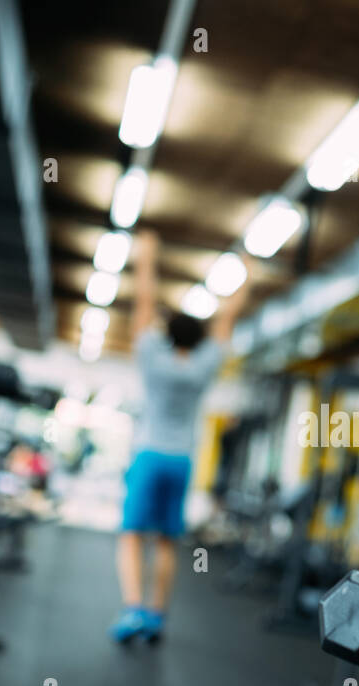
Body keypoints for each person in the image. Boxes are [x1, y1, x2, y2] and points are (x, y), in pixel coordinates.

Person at [110, 232, 252, 643]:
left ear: (166, 333)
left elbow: (143, 302)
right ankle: (156, 616)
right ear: (199, 339)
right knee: (168, 540)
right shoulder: (205, 365)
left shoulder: (153, 358)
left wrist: (147, 257)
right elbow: (228, 317)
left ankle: (133, 610)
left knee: (133, 535)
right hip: (182, 461)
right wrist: (248, 273)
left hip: (149, 456)